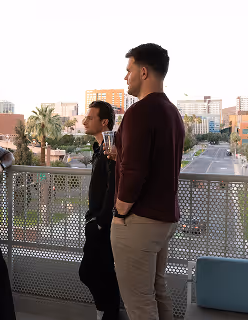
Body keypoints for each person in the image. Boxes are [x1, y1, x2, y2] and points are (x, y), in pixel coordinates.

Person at [105, 43, 184, 320]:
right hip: (164, 218)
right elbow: (154, 160)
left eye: (128, 71)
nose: (126, 77)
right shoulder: (172, 112)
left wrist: (119, 211)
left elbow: (136, 172)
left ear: (143, 71)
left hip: (139, 221)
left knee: (139, 304)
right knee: (156, 291)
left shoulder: (139, 112)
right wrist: (121, 153)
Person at [79, 101, 120, 320]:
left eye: (89, 117)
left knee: (90, 272)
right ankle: (107, 312)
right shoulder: (99, 148)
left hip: (102, 223)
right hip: (96, 220)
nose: (84, 120)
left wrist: (101, 222)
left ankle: (108, 312)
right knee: (100, 272)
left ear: (104, 122)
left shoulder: (110, 149)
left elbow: (112, 187)